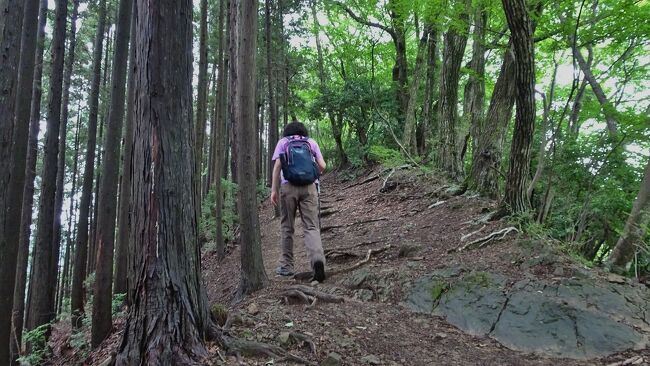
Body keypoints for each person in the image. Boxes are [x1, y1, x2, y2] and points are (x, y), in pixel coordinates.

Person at [271, 121, 327, 282]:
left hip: (288, 187)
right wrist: (312, 173)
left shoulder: (283, 142)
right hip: (309, 188)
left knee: (287, 227)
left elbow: (277, 168)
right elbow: (323, 166)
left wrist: (274, 190)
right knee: (311, 226)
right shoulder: (311, 143)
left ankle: (286, 266)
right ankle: (317, 260)